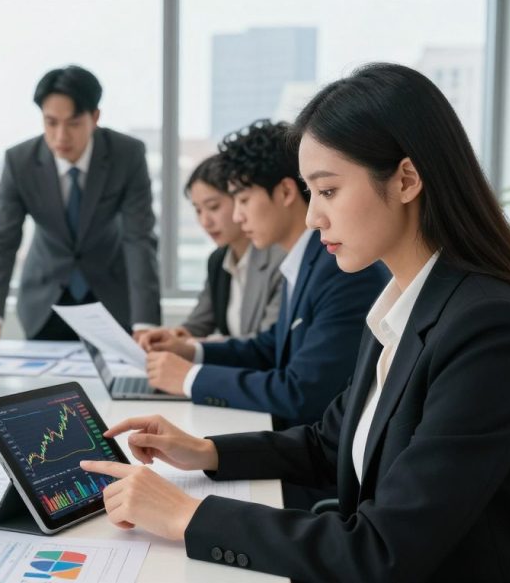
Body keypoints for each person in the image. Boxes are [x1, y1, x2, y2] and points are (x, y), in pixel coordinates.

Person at [81, 63, 510, 582]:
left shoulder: (489, 328)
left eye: (328, 191)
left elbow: (383, 551)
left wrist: (186, 516)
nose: (314, 217)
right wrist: (204, 451)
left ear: (407, 179)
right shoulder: (402, 305)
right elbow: (328, 442)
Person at [140, 120, 388, 430]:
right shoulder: (305, 260)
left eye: (243, 200)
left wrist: (190, 378)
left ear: (285, 191)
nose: (236, 216)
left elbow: (302, 393)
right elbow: (271, 347)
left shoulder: (342, 269)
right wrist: (192, 351)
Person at [0, 65, 160, 346]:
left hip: (112, 297)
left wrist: (145, 322)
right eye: (51, 122)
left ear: (95, 117)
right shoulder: (20, 162)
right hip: (45, 300)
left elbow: (139, 238)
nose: (61, 136)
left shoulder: (127, 155)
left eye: (73, 123)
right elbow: (2, 242)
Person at [136, 154, 285, 342]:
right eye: (198, 210)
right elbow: (197, 325)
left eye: (213, 207)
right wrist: (171, 337)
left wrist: (196, 346)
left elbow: (267, 343)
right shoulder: (218, 260)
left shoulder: (280, 259)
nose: (205, 221)